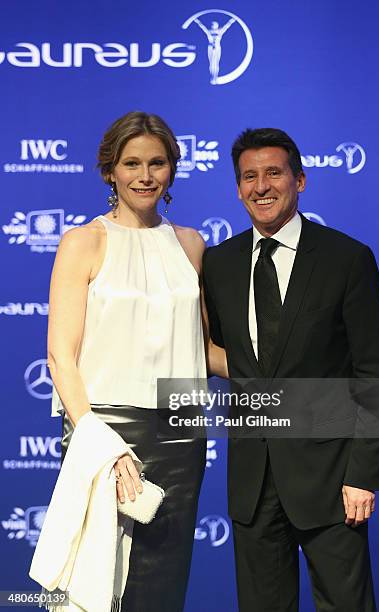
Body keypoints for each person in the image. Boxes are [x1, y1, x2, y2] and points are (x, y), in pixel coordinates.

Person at [202, 127, 379, 611]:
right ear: (237, 187)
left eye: (273, 173)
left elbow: (376, 373)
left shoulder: (346, 259)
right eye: (249, 176)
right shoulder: (220, 264)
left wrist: (363, 474)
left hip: (333, 482)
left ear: (300, 181)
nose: (261, 186)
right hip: (252, 483)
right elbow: (225, 356)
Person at [47, 111, 227, 612]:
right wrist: (101, 443)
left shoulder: (190, 244)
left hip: (180, 431)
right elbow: (61, 358)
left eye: (157, 162)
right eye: (131, 163)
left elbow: (206, 350)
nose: (144, 175)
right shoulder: (83, 241)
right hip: (106, 431)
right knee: (96, 585)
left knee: (161, 586)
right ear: (110, 171)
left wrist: (289, 367)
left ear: (171, 169)